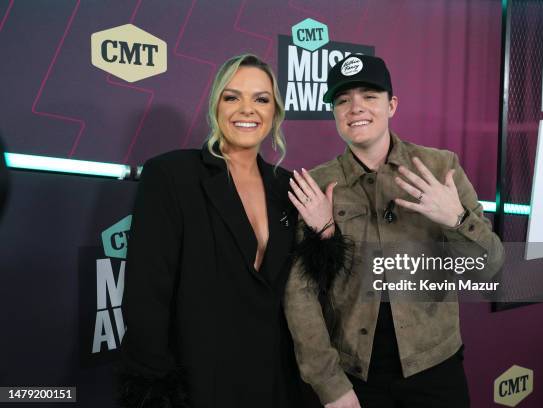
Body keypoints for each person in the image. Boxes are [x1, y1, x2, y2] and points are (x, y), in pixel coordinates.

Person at [284, 55, 505, 408]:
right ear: (335, 114)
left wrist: (457, 219)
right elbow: (301, 295)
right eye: (343, 100)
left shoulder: (440, 167)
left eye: (369, 96)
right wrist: (330, 385)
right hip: (354, 378)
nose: (356, 107)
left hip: (436, 369)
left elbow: (489, 268)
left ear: (392, 105)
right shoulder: (318, 184)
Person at [118, 54, 326, 408]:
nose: (247, 109)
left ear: (275, 111)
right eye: (232, 97)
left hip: (275, 383)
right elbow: (145, 295)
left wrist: (324, 234)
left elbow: (309, 293)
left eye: (261, 99)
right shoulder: (172, 175)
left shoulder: (289, 188)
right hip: (201, 383)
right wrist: (159, 388)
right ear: (215, 105)